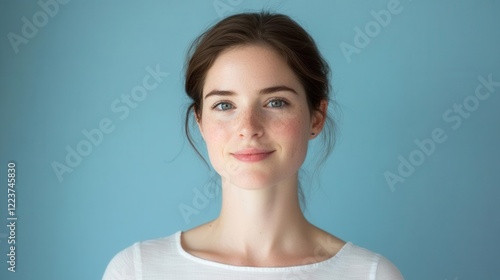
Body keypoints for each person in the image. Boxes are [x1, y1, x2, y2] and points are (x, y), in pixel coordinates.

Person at [103, 12, 404, 279]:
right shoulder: (136, 271)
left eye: (275, 102)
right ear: (200, 122)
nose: (248, 128)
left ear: (316, 117)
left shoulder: (370, 275)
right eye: (224, 105)